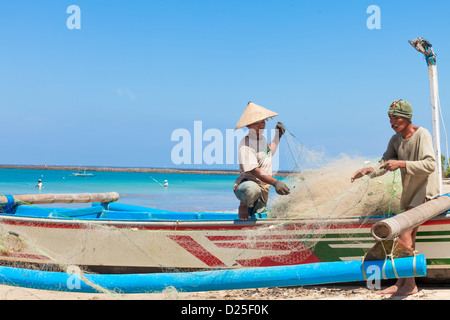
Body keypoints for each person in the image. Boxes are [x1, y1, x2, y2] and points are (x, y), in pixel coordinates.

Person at [351, 99, 440, 296]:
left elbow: (430, 165)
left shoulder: (422, 134)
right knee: (408, 240)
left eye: (396, 118)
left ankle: (410, 285)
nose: (392, 122)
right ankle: (402, 283)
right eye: (390, 118)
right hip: (409, 194)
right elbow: (385, 161)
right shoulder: (395, 139)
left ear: (407, 118)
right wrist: (368, 170)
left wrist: (401, 164)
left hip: (425, 194)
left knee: (403, 236)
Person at [233, 102, 291, 221]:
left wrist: (278, 135)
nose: (261, 125)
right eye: (256, 123)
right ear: (248, 125)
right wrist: (275, 182)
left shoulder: (262, 139)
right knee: (253, 190)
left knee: (258, 216)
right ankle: (243, 205)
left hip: (263, 189)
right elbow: (255, 171)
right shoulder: (246, 145)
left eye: (263, 122)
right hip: (247, 186)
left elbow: (268, 153)